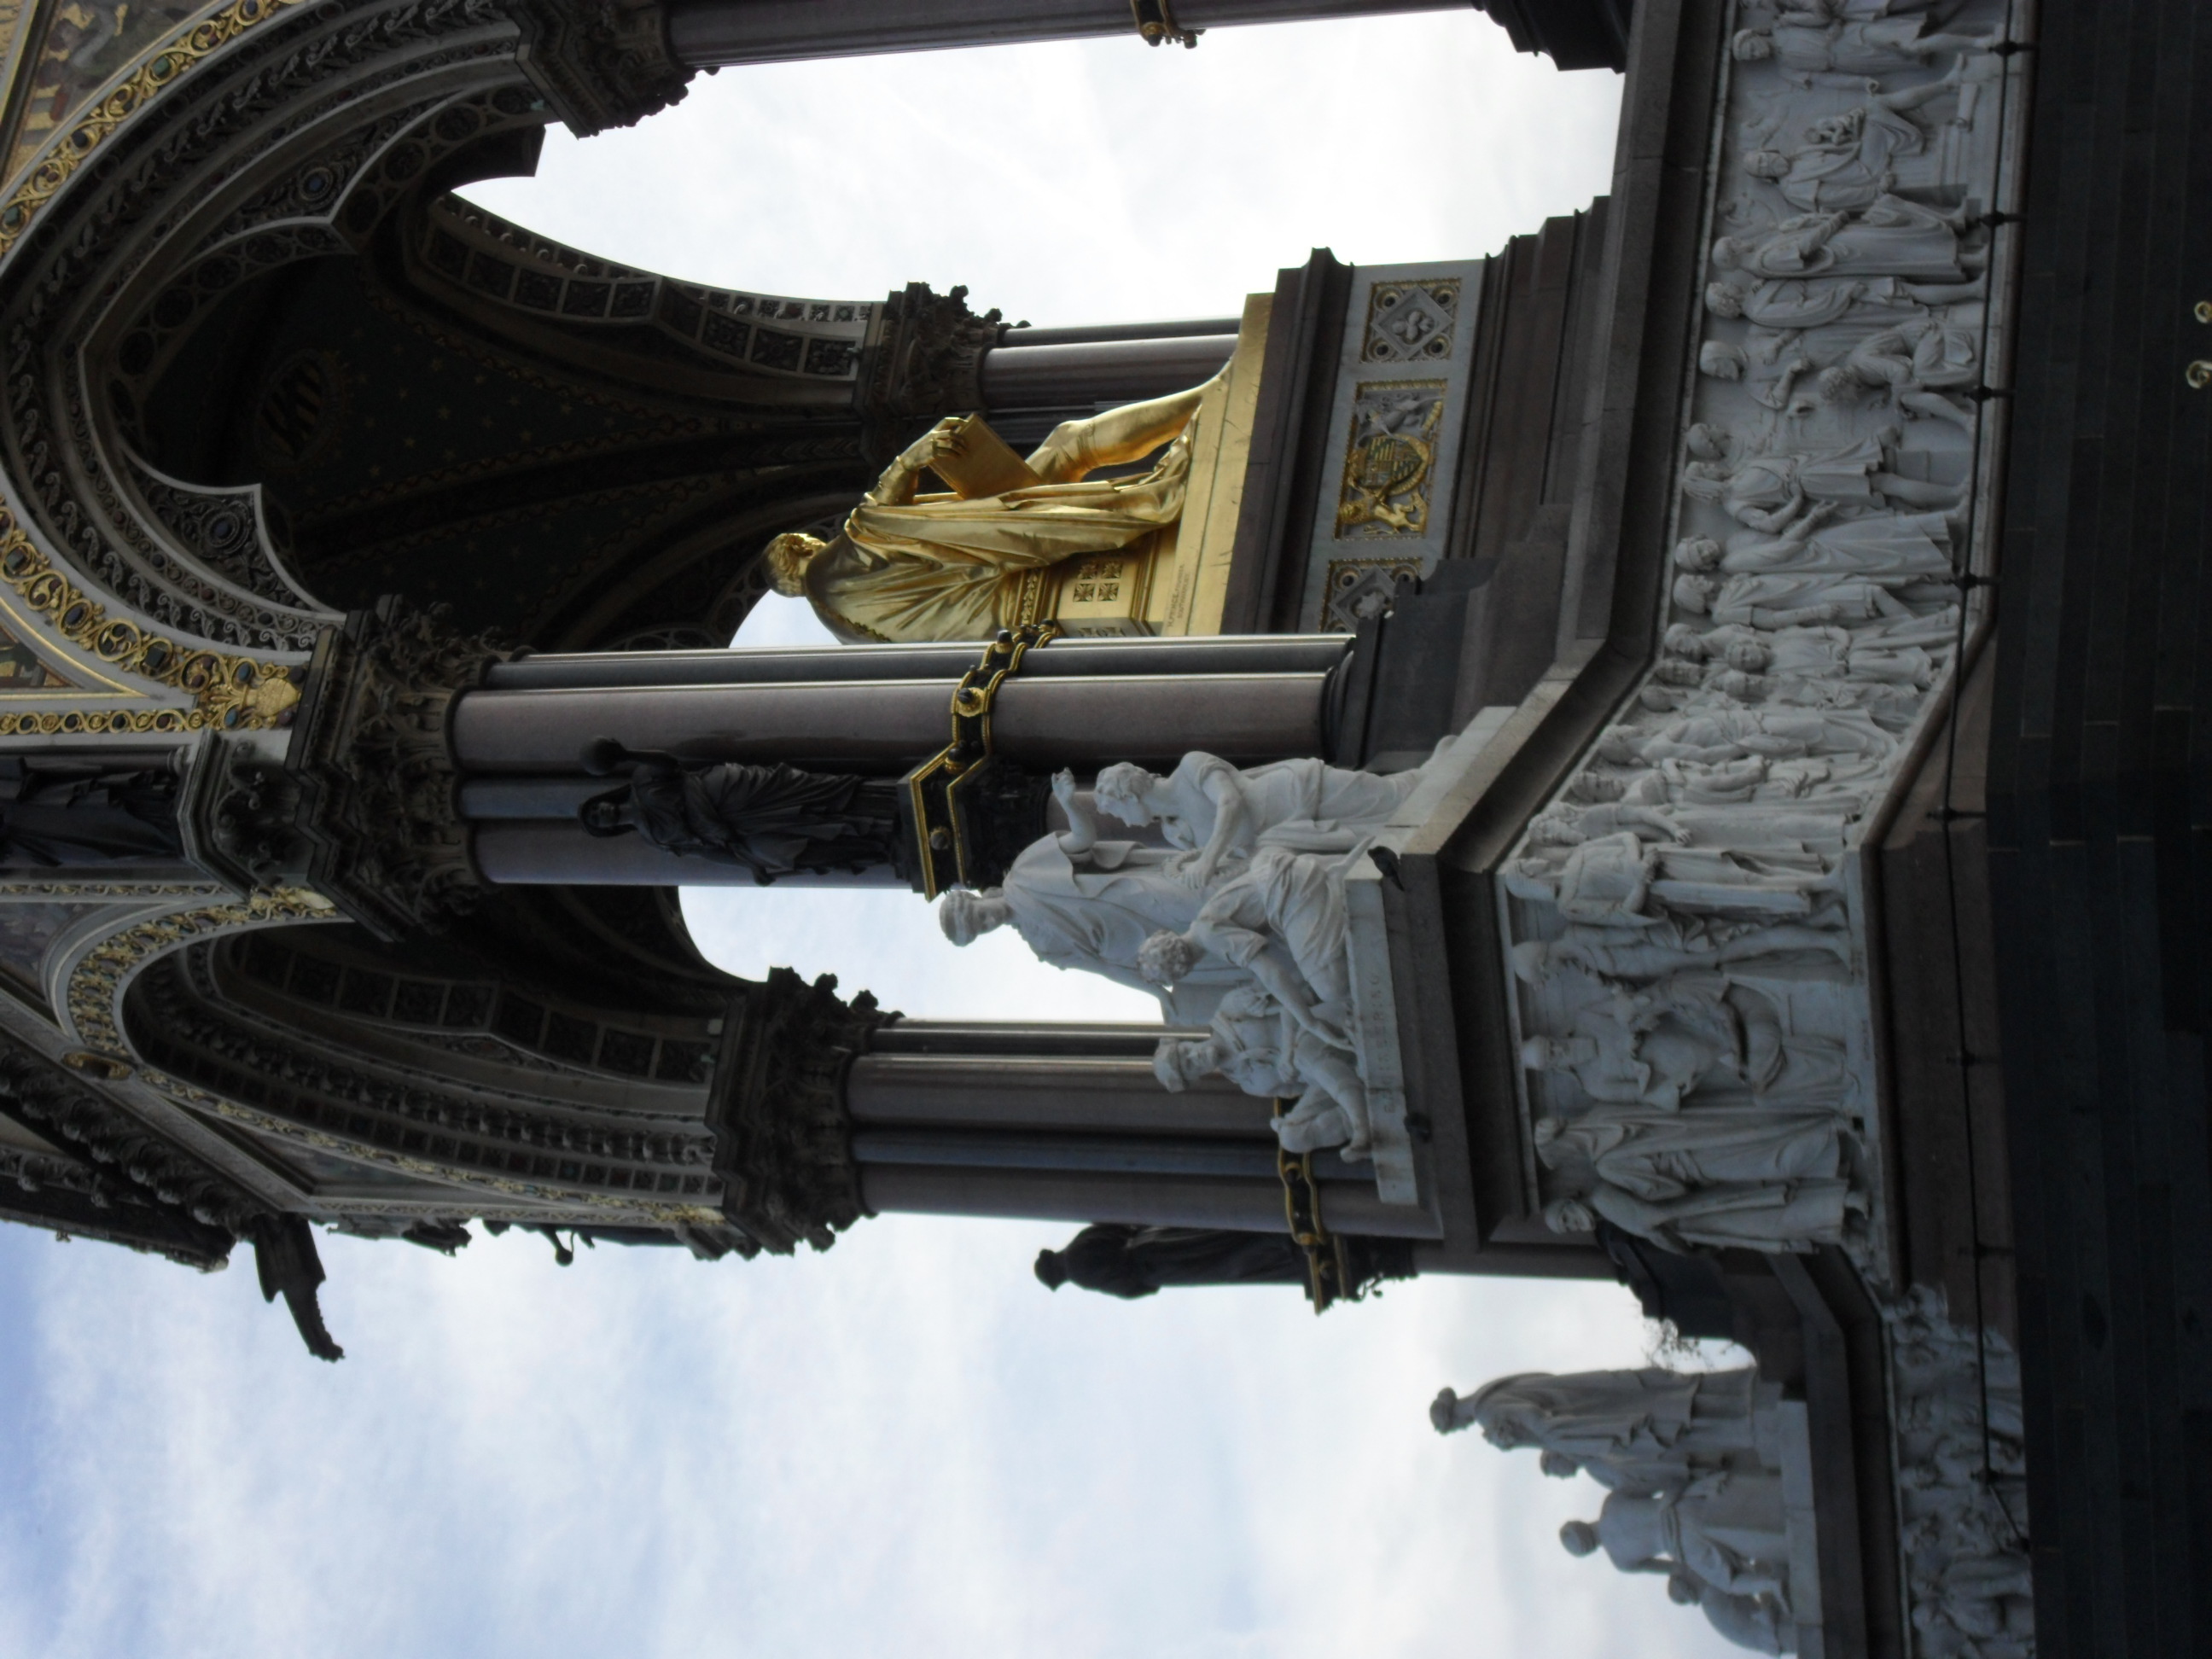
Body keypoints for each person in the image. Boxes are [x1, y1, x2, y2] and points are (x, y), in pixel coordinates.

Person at [765, 375, 1220, 643]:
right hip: (999, 569)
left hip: (1006, 622)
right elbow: (874, 523)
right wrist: (910, 461)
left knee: (1064, 446)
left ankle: (1207, 398)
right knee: (1071, 442)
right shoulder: (829, 572)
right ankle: (1211, 397)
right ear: (798, 548)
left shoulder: (846, 635)